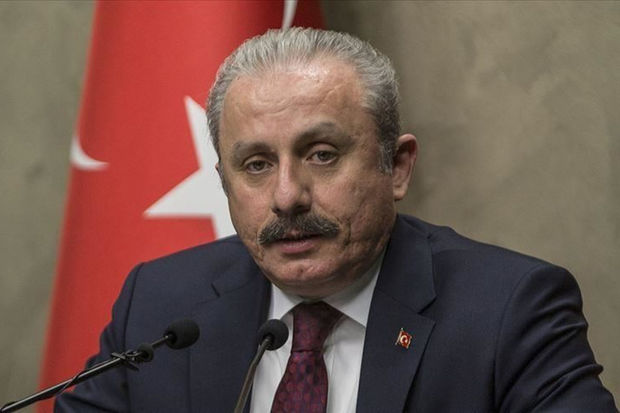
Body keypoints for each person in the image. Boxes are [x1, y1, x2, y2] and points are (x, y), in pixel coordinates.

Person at [55, 28, 616, 412]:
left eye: (321, 155)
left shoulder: (508, 311)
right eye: (256, 165)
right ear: (225, 182)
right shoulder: (160, 305)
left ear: (396, 166)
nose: (287, 197)